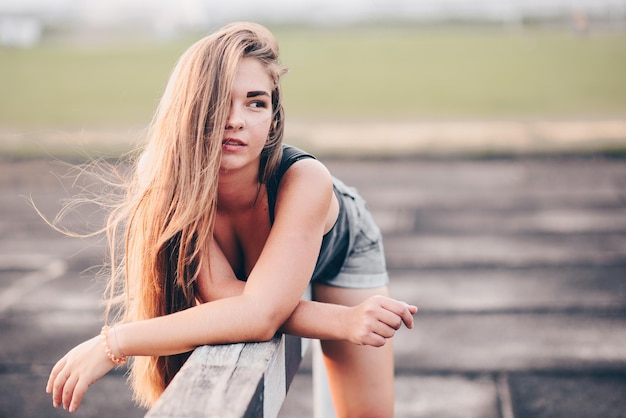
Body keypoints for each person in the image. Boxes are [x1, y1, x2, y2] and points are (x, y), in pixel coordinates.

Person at [45, 22, 417, 417]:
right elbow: (231, 296)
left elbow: (258, 315)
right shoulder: (169, 181)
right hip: (258, 286)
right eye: (220, 100)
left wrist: (113, 343)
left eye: (255, 103)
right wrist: (337, 320)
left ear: (274, 120)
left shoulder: (306, 180)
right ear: (190, 108)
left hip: (340, 253)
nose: (235, 120)